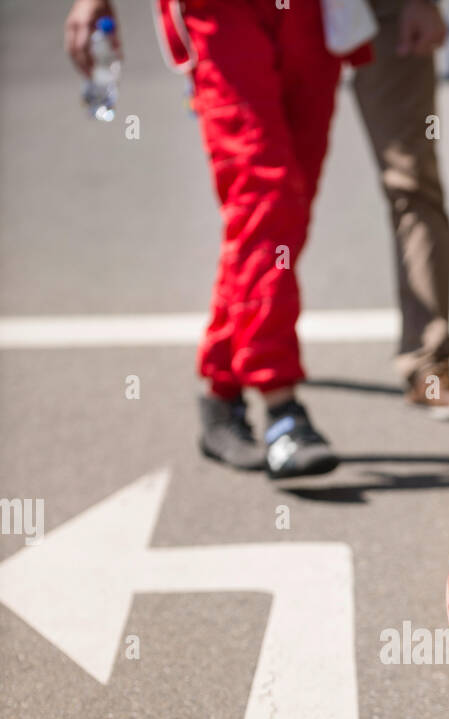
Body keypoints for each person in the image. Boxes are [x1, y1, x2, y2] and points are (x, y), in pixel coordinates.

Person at [64, 0, 372, 477]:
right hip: (223, 14)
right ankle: (281, 405)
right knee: (265, 196)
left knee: (284, 212)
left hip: (310, 15)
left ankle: (220, 390)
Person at [353, 0, 449, 420]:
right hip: (271, 16)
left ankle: (427, 363)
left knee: (412, 180)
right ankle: (250, 370)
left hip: (381, 10)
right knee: (270, 191)